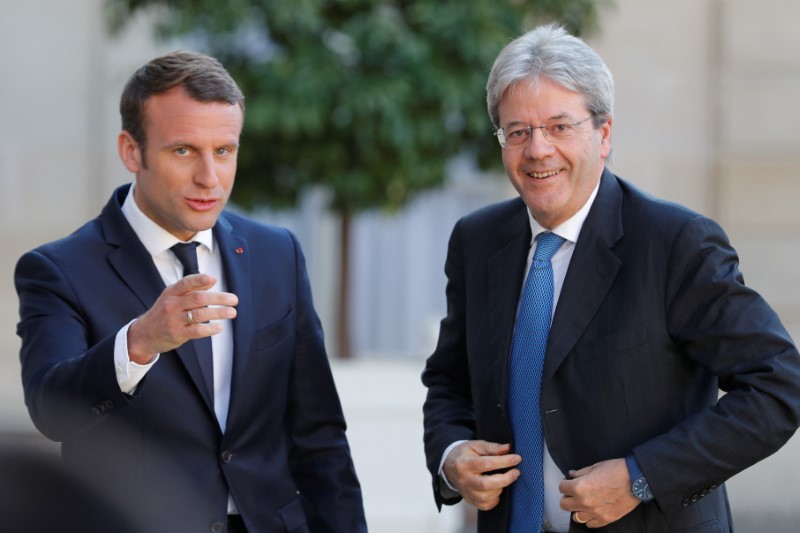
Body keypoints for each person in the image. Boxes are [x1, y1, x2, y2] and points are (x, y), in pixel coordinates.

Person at [421, 24, 800, 533]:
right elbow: (449, 381)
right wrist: (451, 456)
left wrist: (642, 476)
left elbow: (779, 386)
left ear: (603, 134)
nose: (537, 150)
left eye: (559, 126)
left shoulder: (674, 243)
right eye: (518, 131)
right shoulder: (477, 241)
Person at [15, 50, 366, 533]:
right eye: (183, 150)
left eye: (224, 151)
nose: (210, 177)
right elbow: (52, 412)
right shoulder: (58, 269)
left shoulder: (276, 253)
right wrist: (139, 342)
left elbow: (319, 434)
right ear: (131, 151)